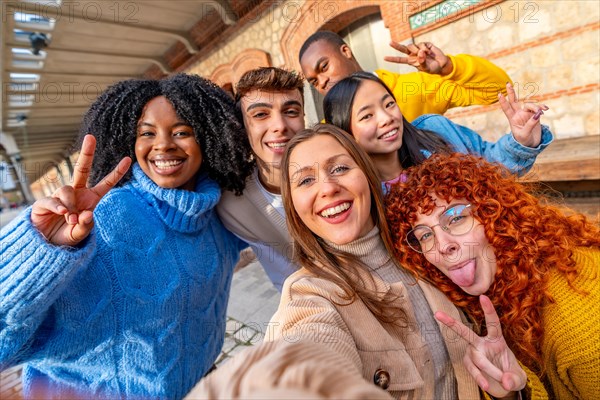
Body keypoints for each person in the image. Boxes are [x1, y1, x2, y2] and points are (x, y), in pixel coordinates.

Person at [189, 124, 544, 399]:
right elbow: (306, 348)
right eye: (306, 180)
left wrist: (509, 391)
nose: (327, 188)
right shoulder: (311, 294)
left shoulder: (426, 243)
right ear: (294, 204)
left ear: (367, 176)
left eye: (340, 168)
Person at [0, 74, 253, 399]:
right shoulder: (101, 218)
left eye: (182, 132)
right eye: (146, 133)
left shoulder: (219, 212)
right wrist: (42, 249)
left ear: (207, 138)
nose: (163, 144)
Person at [385, 152, 600, 399]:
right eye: (424, 235)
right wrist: (512, 394)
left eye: (455, 218)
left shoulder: (578, 318)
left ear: (493, 214)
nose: (442, 245)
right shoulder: (499, 289)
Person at [324, 72, 552, 190]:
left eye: (388, 104)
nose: (386, 118)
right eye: (367, 116)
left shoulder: (434, 131)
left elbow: (493, 167)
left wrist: (520, 141)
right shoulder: (361, 194)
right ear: (346, 131)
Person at [216, 67, 306, 291]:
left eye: (291, 111)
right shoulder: (231, 202)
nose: (280, 126)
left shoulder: (337, 168)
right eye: (260, 114)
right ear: (242, 127)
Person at [299, 30, 512, 122]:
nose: (322, 82)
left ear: (346, 52)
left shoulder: (413, 88)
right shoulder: (330, 130)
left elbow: (499, 91)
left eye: (324, 67)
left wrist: (449, 67)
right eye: (314, 81)